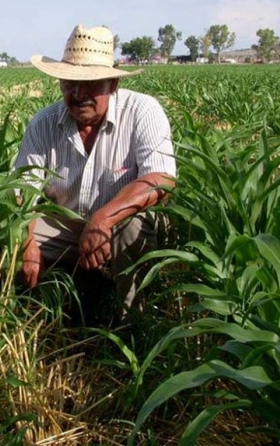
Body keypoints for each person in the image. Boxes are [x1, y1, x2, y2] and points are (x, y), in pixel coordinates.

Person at [14, 25, 176, 325]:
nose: (78, 94)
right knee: (8, 235)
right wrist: (25, 246)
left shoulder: (142, 111)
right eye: (70, 83)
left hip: (119, 225)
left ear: (112, 84)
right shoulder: (44, 124)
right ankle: (42, 314)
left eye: (91, 84)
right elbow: (22, 192)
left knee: (133, 227)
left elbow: (161, 178)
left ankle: (133, 324)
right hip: (66, 225)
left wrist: (102, 219)